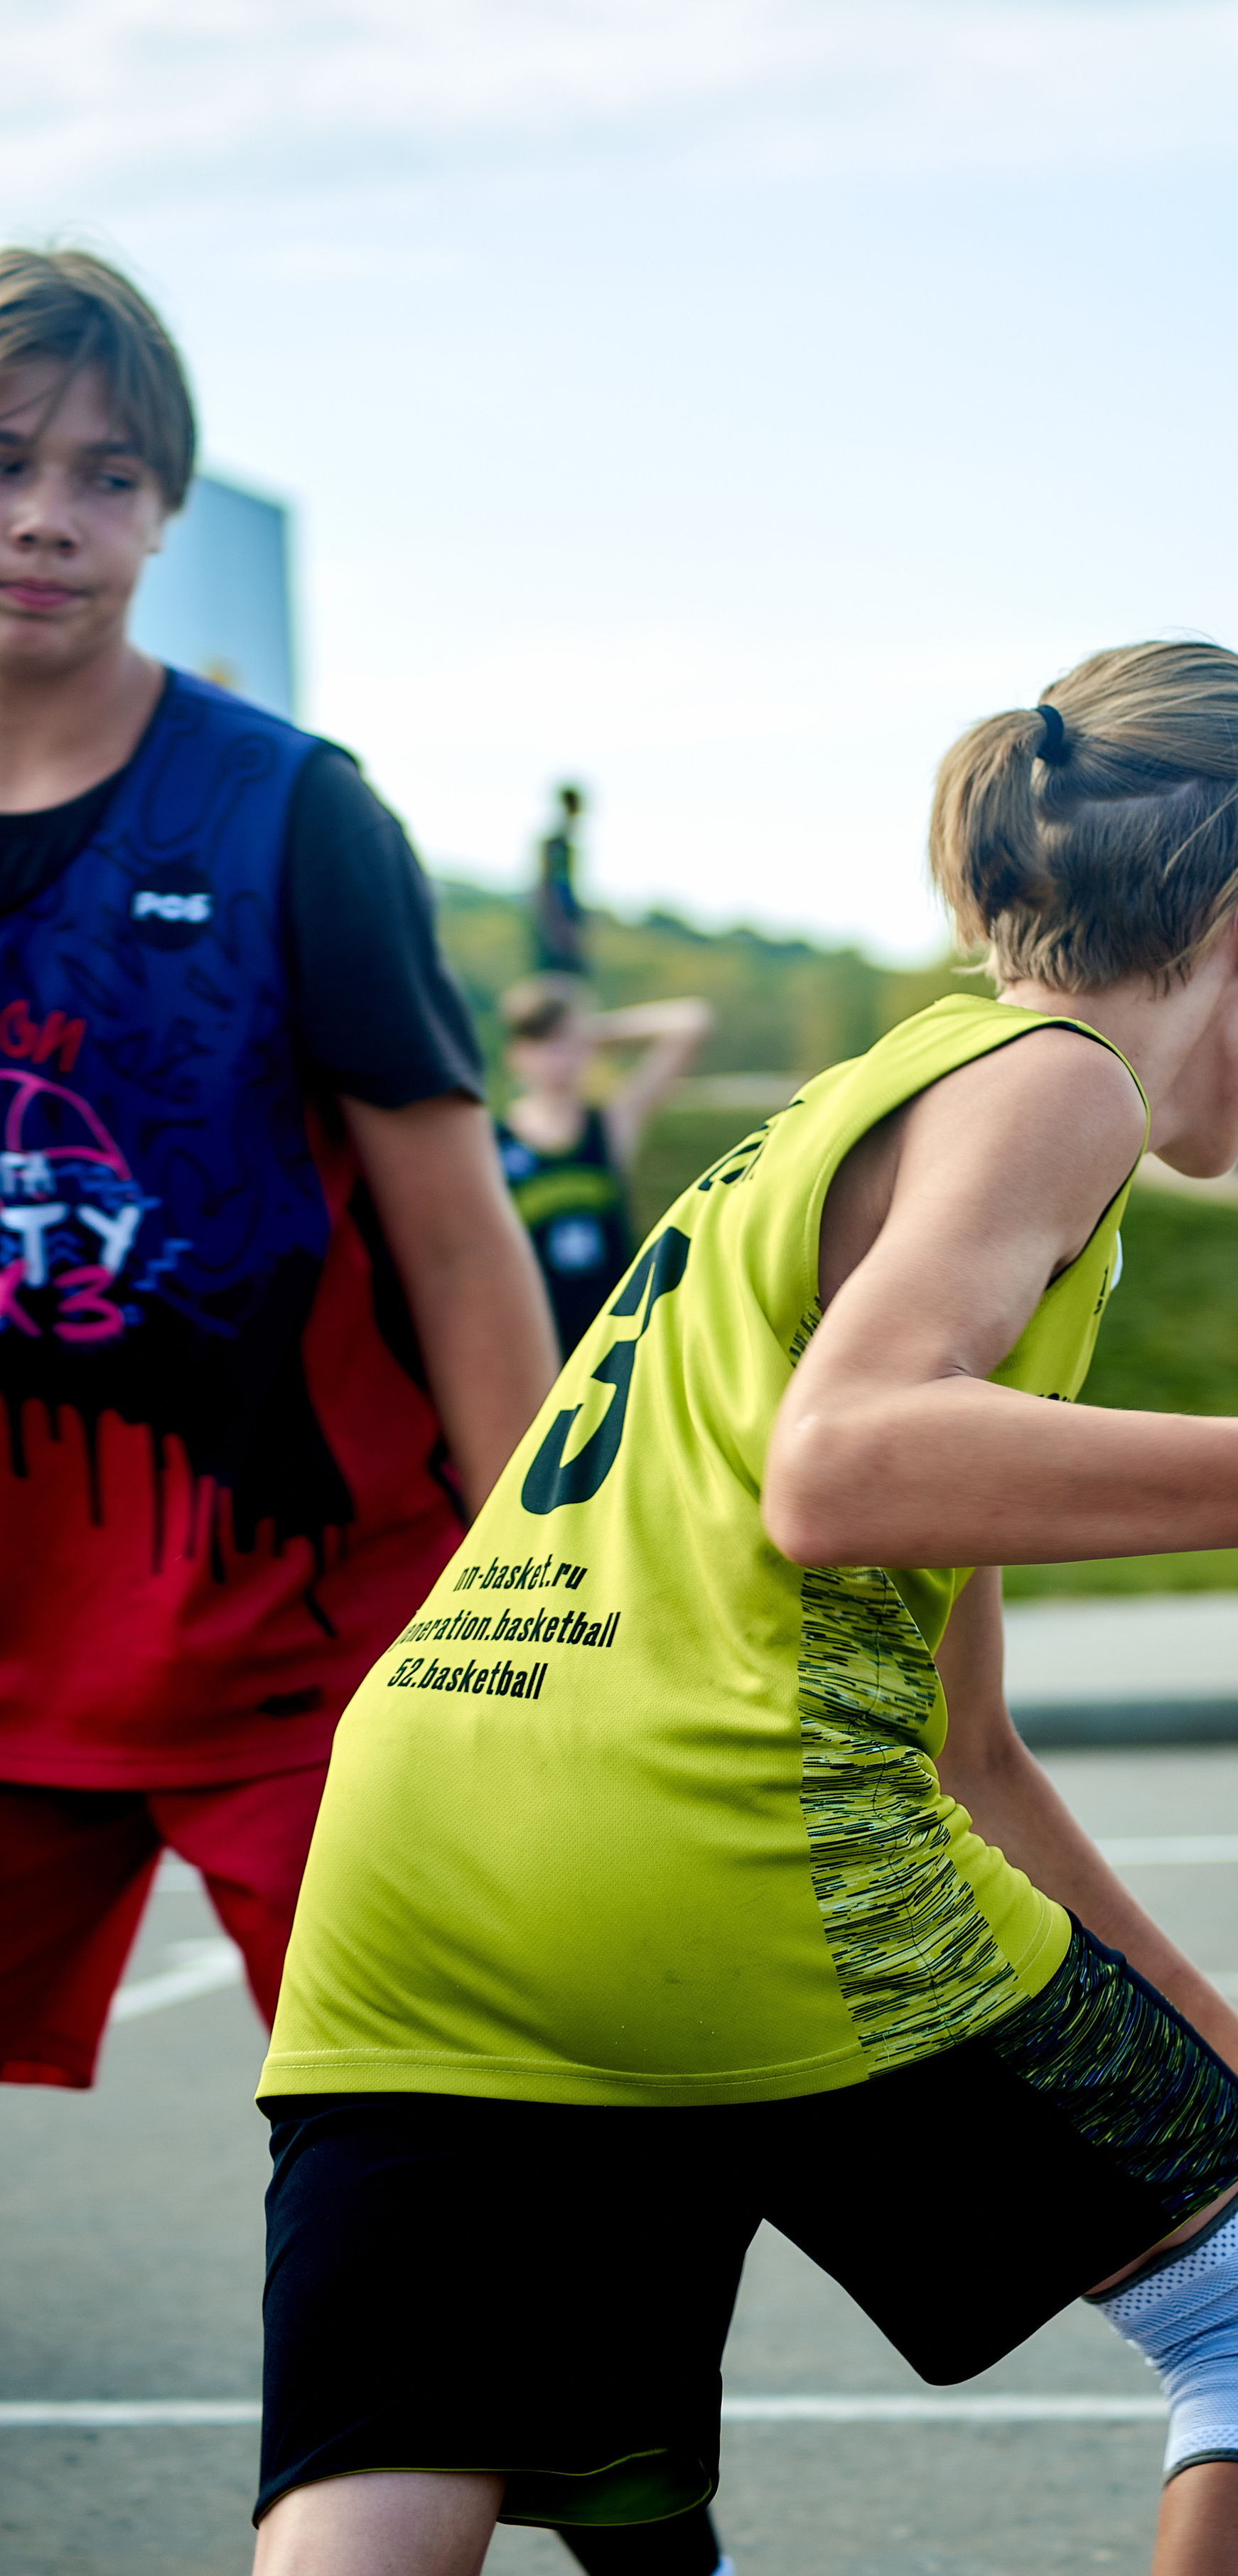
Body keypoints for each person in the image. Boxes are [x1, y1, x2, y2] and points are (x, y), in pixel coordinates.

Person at [186, 642, 1238, 2576]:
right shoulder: (1059, 1084)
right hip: (721, 1844)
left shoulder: (864, 1117)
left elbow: (966, 1743)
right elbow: (845, 1471)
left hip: (421, 1856)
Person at [0, 247, 559, 2089]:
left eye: (108, 476)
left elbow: (463, 1246)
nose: (50, 516)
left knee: (431, 2143)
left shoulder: (292, 812)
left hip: (307, 1637)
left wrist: (543, 1586)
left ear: (165, 510)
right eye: (7, 460)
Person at [496, 974, 711, 1356]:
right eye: (542, 1042)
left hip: (611, 1342)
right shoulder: (495, 1143)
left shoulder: (610, 1126)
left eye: (565, 1042)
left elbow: (691, 1022)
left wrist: (591, 1031)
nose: (556, 1057)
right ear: (516, 1054)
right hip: (536, 1344)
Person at [534, 782, 589, 972]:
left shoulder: (564, 843)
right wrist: (560, 926)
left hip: (564, 913)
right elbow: (548, 885)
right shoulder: (557, 844)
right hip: (558, 916)